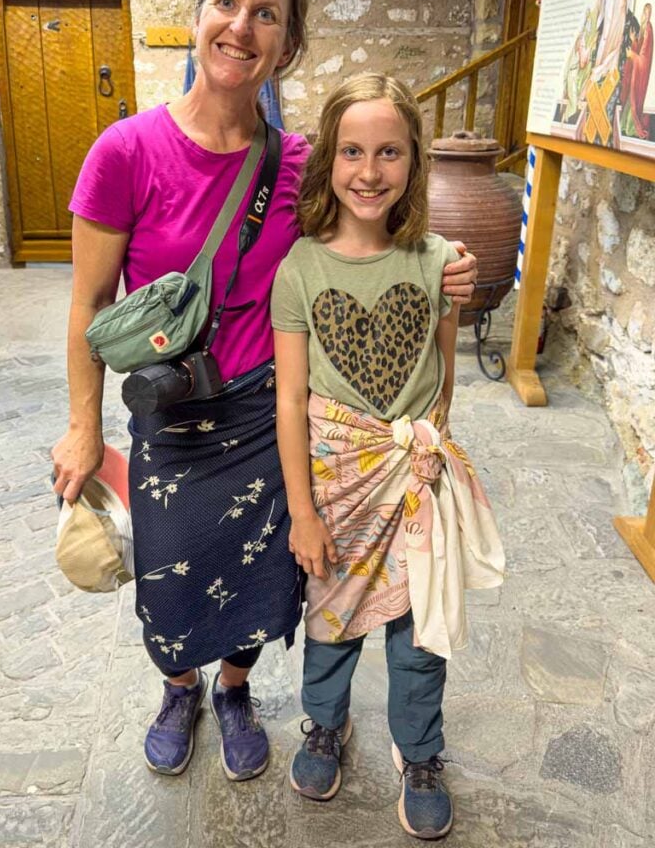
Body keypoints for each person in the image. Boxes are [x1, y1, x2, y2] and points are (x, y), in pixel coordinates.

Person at [51, 0, 478, 785]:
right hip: (172, 413)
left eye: (266, 14)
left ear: (288, 42)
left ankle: (237, 688)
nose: (241, 26)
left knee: (262, 580)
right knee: (170, 583)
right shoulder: (124, 152)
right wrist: (81, 427)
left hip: (267, 413)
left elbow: (373, 224)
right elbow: (88, 306)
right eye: (226, 4)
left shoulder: (298, 166)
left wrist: (448, 260)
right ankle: (180, 687)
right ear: (198, 17)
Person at [271, 73, 504, 838]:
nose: (369, 172)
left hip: (412, 484)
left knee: (419, 626)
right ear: (328, 161)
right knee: (332, 619)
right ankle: (324, 725)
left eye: (390, 152)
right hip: (335, 490)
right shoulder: (300, 270)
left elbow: (443, 381)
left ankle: (421, 751)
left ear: (413, 164)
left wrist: (429, 463)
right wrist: (302, 512)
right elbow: (289, 401)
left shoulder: (439, 263)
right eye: (352, 151)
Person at [620, 2, 652, 139]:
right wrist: (634, 41)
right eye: (643, 12)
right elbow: (639, 48)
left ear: (649, 15)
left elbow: (644, 59)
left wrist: (632, 55)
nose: (643, 15)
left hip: (640, 75)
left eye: (646, 13)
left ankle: (631, 129)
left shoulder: (649, 30)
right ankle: (625, 126)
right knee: (629, 100)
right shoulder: (643, 29)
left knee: (633, 102)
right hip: (635, 73)